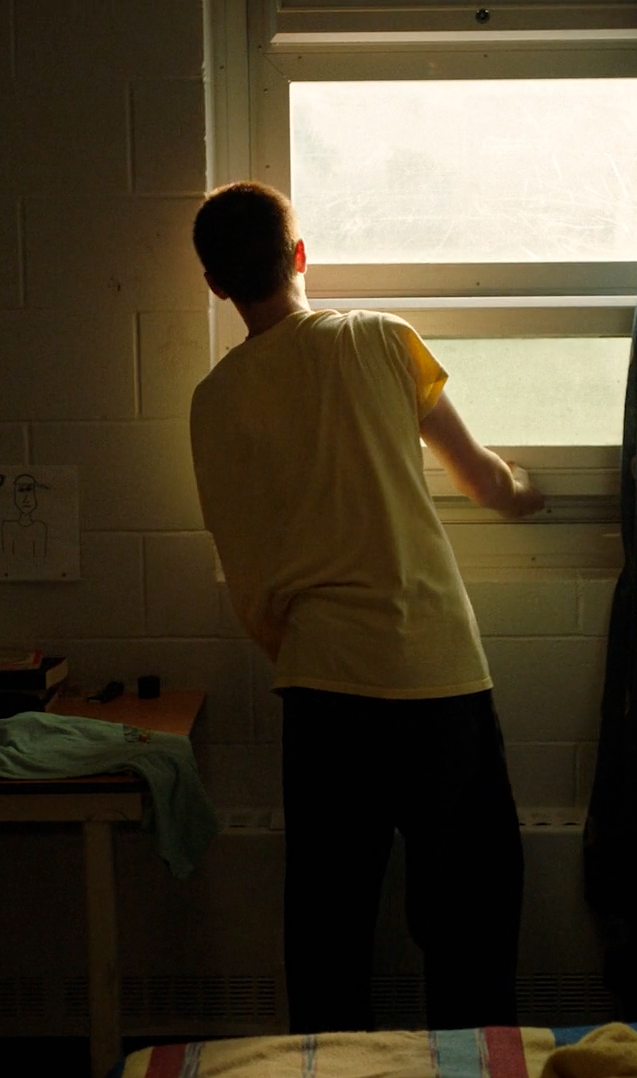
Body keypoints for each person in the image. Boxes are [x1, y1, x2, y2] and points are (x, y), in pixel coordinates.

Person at [188, 181, 544, 1034]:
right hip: (436, 674)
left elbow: (245, 568)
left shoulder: (213, 401)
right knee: (469, 927)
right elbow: (482, 478)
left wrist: (303, 648)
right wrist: (530, 493)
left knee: (328, 932)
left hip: (320, 683)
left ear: (217, 285)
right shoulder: (380, 338)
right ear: (301, 256)